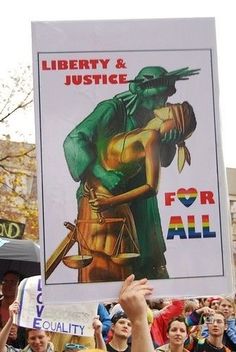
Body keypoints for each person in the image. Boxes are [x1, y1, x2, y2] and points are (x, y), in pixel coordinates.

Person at [63, 66, 199, 282]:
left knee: (148, 260)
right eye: (156, 96)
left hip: (140, 200)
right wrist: (103, 174)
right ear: (137, 89)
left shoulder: (157, 118)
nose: (160, 102)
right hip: (104, 195)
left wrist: (171, 140)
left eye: (165, 96)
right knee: (105, 261)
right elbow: (74, 140)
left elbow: (163, 160)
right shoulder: (112, 109)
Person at [0, 271, 25, 349]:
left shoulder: (26, 310)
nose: (7, 285)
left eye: (12, 282)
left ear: (19, 287)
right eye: (5, 281)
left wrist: (17, 337)